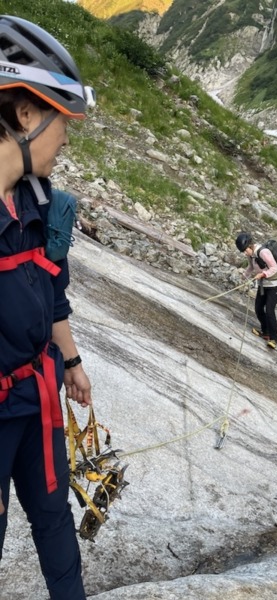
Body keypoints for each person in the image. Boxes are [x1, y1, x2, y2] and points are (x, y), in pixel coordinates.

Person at [0, 15, 95, 600]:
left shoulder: (41, 202)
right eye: (63, 123)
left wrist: (72, 360)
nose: (65, 140)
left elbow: (49, 293)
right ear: (27, 114)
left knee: (55, 518)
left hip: (36, 394)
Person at [235, 232, 277, 349]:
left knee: (269, 310)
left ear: (250, 245)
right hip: (263, 284)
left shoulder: (264, 252)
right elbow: (251, 267)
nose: (245, 253)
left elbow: (274, 268)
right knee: (258, 308)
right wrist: (244, 276)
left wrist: (263, 274)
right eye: (243, 251)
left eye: (245, 250)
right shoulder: (250, 255)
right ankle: (265, 332)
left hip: (274, 284)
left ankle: (273, 338)